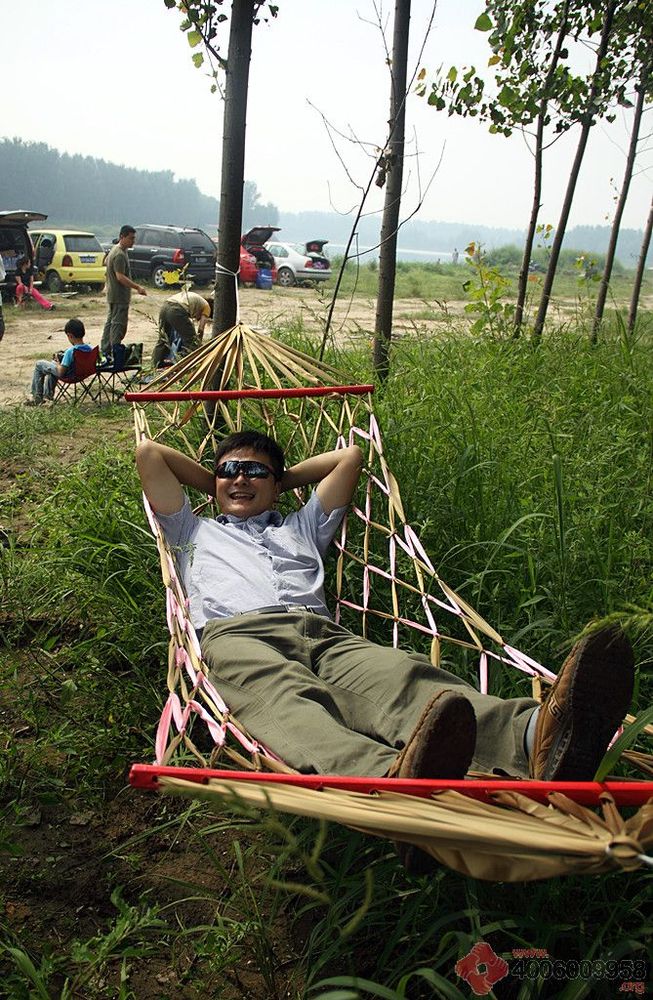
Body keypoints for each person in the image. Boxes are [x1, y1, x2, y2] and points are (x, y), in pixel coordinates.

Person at [136, 430, 635, 796]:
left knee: (403, 677)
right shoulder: (192, 531)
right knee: (288, 701)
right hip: (237, 636)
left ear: (278, 483)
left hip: (322, 634)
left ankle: (534, 736)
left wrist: (275, 480)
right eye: (228, 471)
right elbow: (149, 454)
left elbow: (349, 457)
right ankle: (387, 777)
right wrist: (223, 481)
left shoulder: (302, 526)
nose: (240, 478)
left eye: (255, 472)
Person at [101, 225, 146, 363]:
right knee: (118, 325)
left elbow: (105, 262)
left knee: (110, 323)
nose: (133, 241)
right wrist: (137, 287)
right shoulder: (119, 254)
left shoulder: (116, 250)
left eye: (134, 238)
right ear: (122, 237)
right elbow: (120, 277)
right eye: (131, 238)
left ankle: (105, 351)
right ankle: (115, 354)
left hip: (113, 295)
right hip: (119, 296)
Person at [25, 317, 93, 405]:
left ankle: (37, 397)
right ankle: (47, 396)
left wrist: (57, 363)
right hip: (81, 374)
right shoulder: (90, 349)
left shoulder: (71, 351)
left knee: (39, 364)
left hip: (69, 375)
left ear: (70, 336)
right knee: (51, 366)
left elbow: (61, 372)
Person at [151, 289, 213, 368]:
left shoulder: (197, 301)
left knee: (163, 339)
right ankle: (183, 366)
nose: (197, 319)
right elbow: (201, 328)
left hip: (165, 306)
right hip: (177, 309)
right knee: (191, 343)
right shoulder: (207, 307)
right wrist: (198, 343)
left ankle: (155, 365)